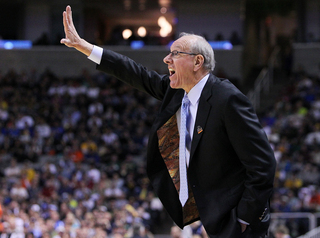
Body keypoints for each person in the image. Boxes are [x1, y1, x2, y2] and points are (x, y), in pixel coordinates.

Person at [60, 5, 276, 238]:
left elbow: (263, 163)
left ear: (197, 62)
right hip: (211, 214)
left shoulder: (227, 99)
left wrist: (244, 217)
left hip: (237, 221)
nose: (167, 59)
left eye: (175, 53)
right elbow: (136, 73)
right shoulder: (177, 92)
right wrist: (85, 47)